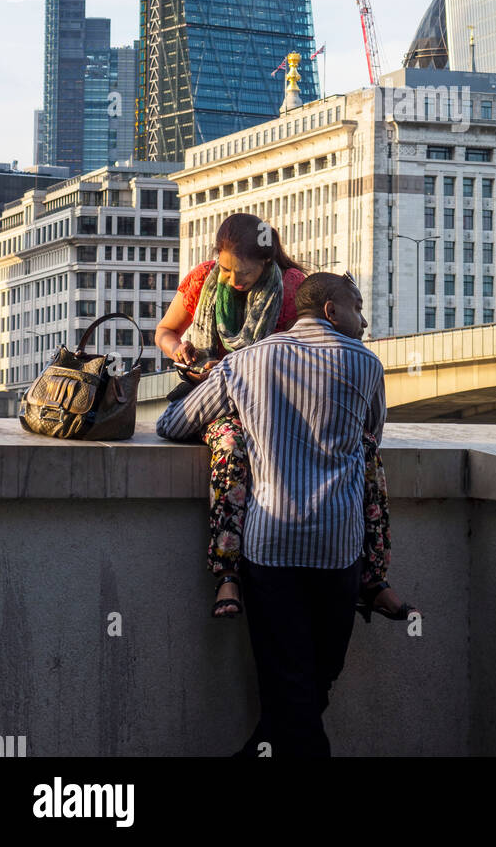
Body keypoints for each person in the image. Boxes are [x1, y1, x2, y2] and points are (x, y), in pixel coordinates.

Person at [156, 272, 388, 757]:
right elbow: (373, 435)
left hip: (270, 546)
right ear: (330, 310)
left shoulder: (247, 361)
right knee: (316, 680)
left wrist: (240, 425)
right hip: (338, 546)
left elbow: (173, 423)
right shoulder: (366, 364)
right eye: (357, 308)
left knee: (287, 683)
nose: (363, 321)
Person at [155, 214, 411, 622]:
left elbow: (306, 354)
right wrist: (179, 350)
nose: (230, 280)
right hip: (216, 396)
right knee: (230, 444)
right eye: (224, 269)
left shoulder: (292, 289)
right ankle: (227, 571)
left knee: (365, 452)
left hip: (270, 404)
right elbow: (166, 330)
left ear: (266, 260)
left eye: (241, 272)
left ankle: (373, 575)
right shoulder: (202, 279)